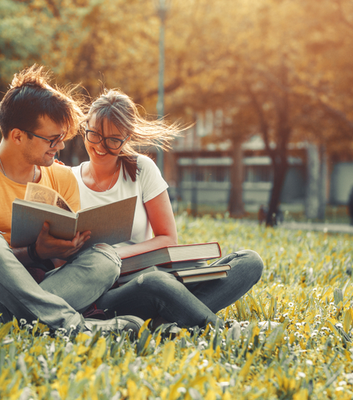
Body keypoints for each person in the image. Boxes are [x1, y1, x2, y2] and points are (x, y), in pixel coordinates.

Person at [0, 66, 142, 334]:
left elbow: (65, 269)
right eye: (52, 139)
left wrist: (70, 247)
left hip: (42, 286)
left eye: (61, 138)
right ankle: (75, 327)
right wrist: (36, 253)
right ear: (17, 136)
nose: (60, 146)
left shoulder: (61, 177)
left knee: (106, 258)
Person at [71, 89, 264, 329]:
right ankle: (220, 329)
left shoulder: (141, 169)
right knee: (155, 284)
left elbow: (167, 238)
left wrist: (114, 255)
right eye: (94, 135)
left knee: (249, 263)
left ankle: (166, 320)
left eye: (113, 139)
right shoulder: (68, 179)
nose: (101, 146)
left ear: (127, 137)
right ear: (84, 127)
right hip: (109, 292)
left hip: (156, 273)